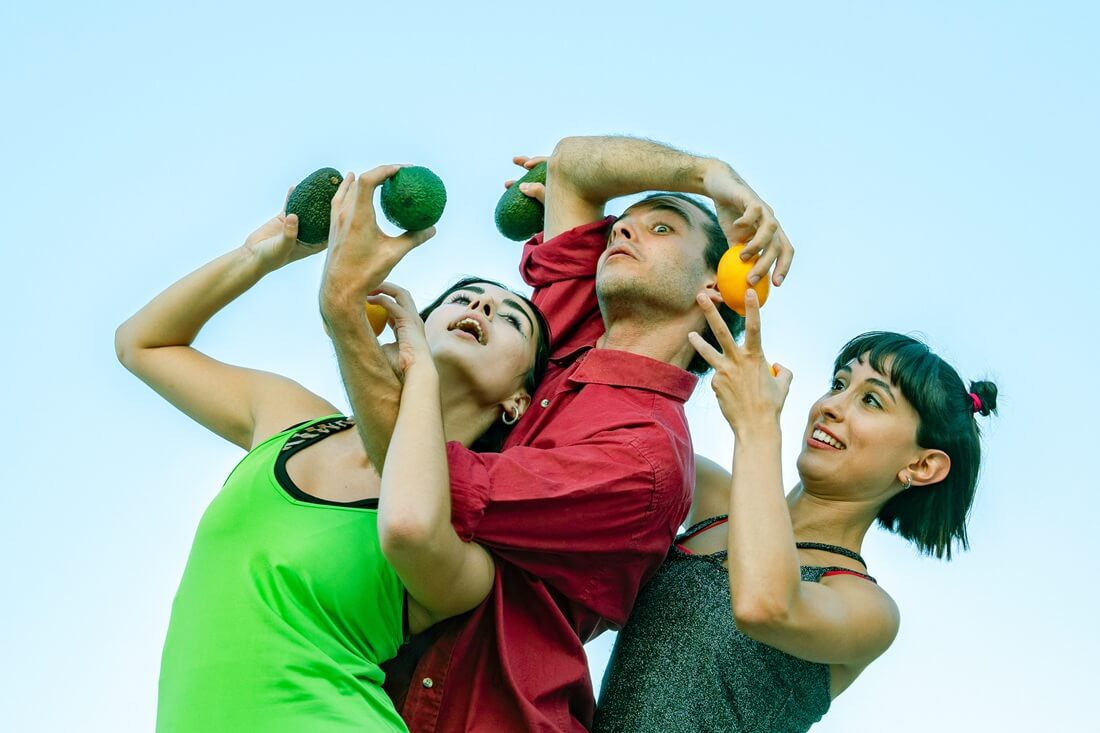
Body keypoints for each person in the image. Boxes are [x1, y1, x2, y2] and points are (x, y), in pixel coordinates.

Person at [318, 137, 795, 732]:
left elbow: (424, 485)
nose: (623, 230)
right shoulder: (567, 322)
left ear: (715, 288)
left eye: (662, 229)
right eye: (624, 223)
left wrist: (345, 315)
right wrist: (710, 174)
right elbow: (570, 168)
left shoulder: (645, 459)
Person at [114, 199, 551, 733]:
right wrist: (257, 257)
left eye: (511, 320)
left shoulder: (468, 551)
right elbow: (142, 345)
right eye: (462, 298)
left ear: (517, 402)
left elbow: (410, 527)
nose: (481, 307)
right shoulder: (292, 419)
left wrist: (398, 356)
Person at [594, 290, 998, 732]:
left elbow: (766, 606)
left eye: (871, 401)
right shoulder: (715, 503)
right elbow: (612, 423)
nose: (830, 406)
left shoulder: (869, 609)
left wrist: (757, 426)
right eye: (839, 384)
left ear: (922, 466)